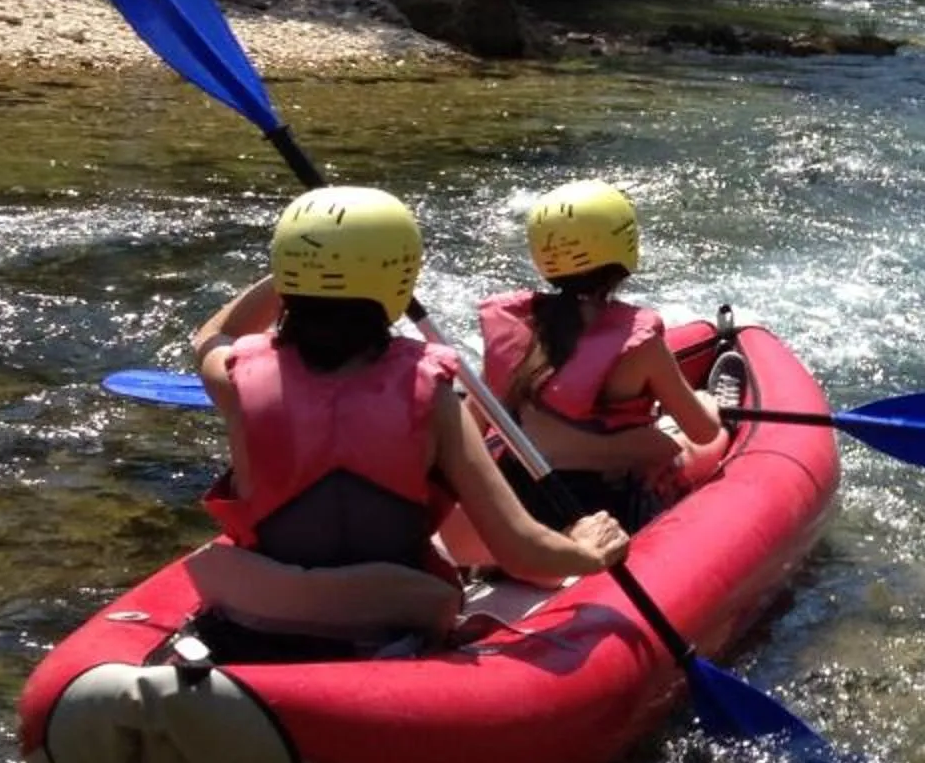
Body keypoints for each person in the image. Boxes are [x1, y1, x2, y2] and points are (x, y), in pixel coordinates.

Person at [185, 185, 628, 647]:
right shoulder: (432, 393)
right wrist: (586, 551)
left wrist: (302, 267)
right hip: (390, 625)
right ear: (401, 275)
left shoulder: (237, 375)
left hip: (257, 615)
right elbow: (519, 549)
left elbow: (212, 335)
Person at [475, 180, 726, 530]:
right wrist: (709, 405)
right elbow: (703, 431)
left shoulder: (515, 328)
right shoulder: (639, 342)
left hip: (517, 503)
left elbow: (474, 421)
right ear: (623, 248)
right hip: (598, 511)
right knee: (698, 444)